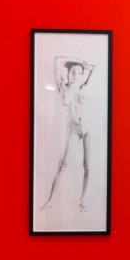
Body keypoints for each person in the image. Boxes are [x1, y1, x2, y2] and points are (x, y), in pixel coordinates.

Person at [40, 56, 95, 212]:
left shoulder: (83, 87)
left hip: (87, 129)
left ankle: (82, 200)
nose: (75, 75)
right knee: (63, 165)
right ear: (68, 73)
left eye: (79, 73)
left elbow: (93, 68)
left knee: (87, 166)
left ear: (82, 75)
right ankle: (50, 200)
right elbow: (57, 60)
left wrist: (81, 63)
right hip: (73, 130)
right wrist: (73, 60)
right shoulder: (61, 87)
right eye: (72, 72)